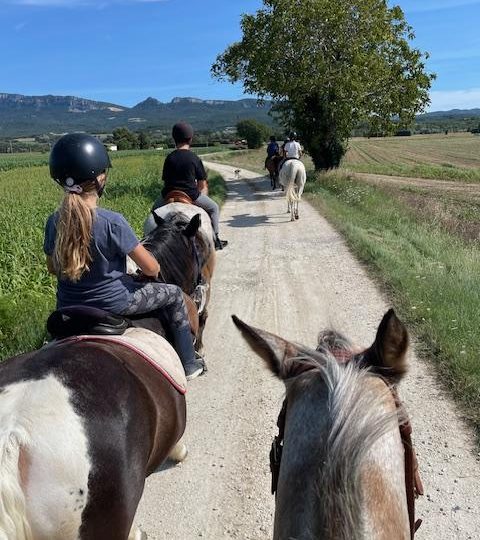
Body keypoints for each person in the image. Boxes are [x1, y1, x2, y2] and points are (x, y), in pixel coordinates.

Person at [44, 133, 205, 380]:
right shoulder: (112, 222)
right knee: (173, 295)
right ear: (100, 178)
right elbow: (151, 268)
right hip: (114, 303)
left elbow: (53, 268)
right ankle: (189, 363)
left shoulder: (54, 222)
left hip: (67, 306)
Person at [147, 122, 228, 251]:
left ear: (174, 139)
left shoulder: (169, 158)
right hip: (190, 194)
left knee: (153, 214)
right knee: (214, 208)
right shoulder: (194, 158)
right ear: (190, 139)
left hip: (168, 194)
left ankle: (149, 243)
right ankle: (215, 239)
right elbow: (202, 185)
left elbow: (166, 181)